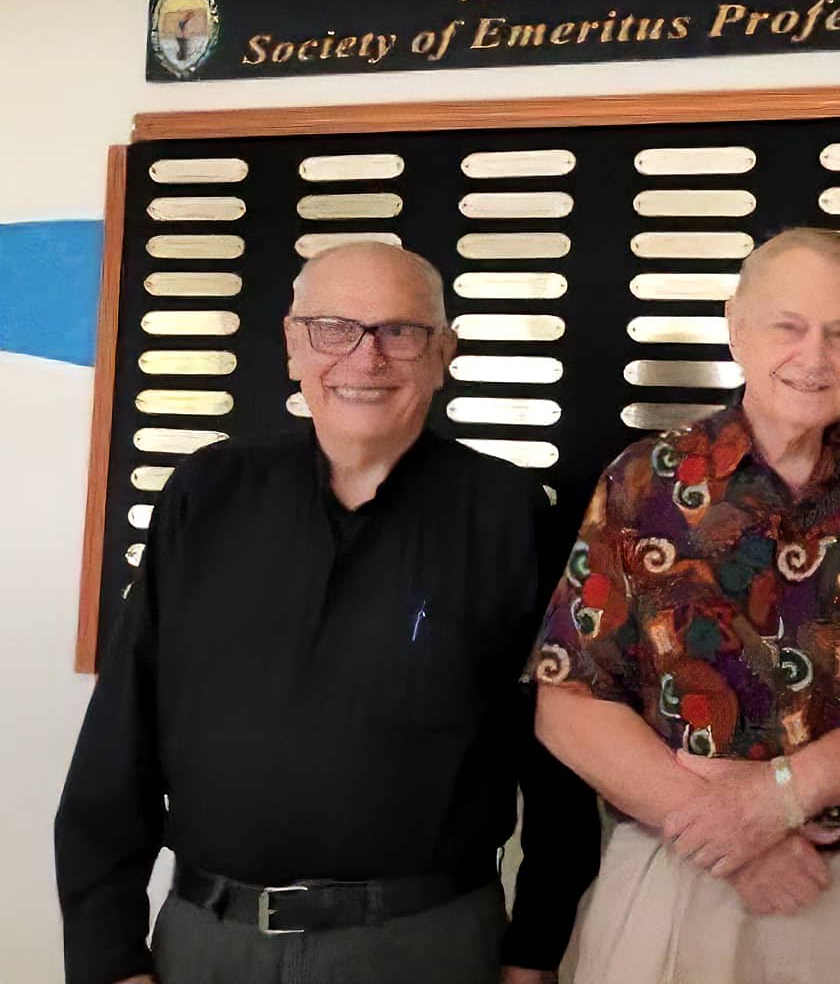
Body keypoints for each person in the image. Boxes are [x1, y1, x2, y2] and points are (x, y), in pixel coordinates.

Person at [56, 242, 596, 984]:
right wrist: (107, 955)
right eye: (333, 327)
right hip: (206, 946)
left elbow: (557, 755)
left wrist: (535, 950)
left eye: (400, 332)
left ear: (443, 354)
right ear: (291, 345)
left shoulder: (507, 513)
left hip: (424, 949)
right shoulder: (205, 494)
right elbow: (121, 735)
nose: (365, 358)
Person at [529, 227, 840, 984]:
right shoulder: (642, 483)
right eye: (788, 326)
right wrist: (731, 838)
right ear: (737, 327)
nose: (814, 357)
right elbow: (568, 701)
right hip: (677, 869)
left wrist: (780, 800)